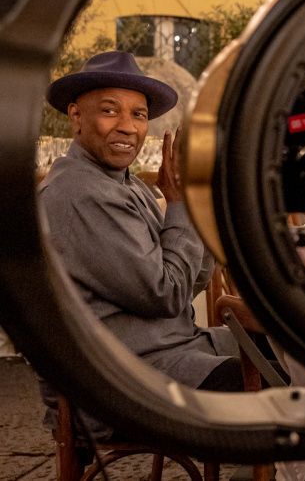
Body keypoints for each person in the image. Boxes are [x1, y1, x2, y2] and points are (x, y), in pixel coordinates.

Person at [38, 51, 243, 435]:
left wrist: (193, 206)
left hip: (172, 352)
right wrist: (180, 209)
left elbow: (189, 284)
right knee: (288, 385)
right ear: (76, 116)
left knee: (294, 351)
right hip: (124, 385)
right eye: (110, 111)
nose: (127, 127)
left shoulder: (129, 185)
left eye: (139, 114)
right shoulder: (80, 192)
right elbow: (165, 294)